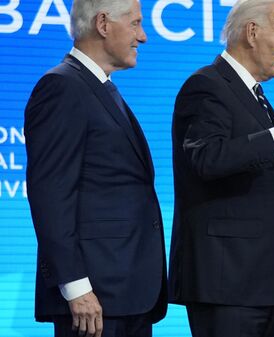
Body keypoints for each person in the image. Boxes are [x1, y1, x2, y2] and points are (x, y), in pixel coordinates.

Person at [167, 1, 274, 336]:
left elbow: (256, 180)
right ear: (252, 32)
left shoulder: (255, 96)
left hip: (270, 285)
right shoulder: (206, 86)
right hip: (228, 284)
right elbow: (207, 158)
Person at [24, 1, 167, 337]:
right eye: (135, 24)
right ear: (103, 23)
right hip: (95, 297)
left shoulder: (98, 88)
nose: (143, 37)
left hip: (127, 292)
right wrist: (75, 286)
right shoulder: (61, 87)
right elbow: (51, 194)